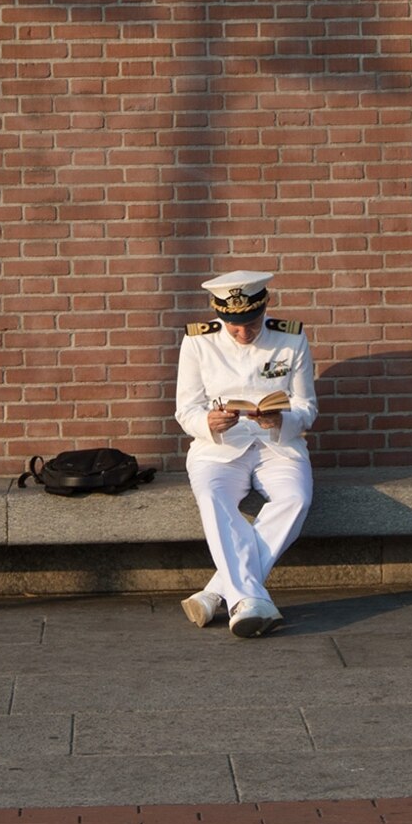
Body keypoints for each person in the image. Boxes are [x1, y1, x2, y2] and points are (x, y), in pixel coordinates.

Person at [174, 270, 318, 638]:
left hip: (277, 444)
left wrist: (281, 418)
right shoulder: (197, 343)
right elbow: (185, 409)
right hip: (218, 448)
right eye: (232, 325)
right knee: (213, 498)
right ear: (220, 315)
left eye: (250, 323)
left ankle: (218, 593)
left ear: (265, 306)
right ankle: (247, 601)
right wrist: (208, 422)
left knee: (295, 499)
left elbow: (307, 406)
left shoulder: (291, 338)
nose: (242, 332)